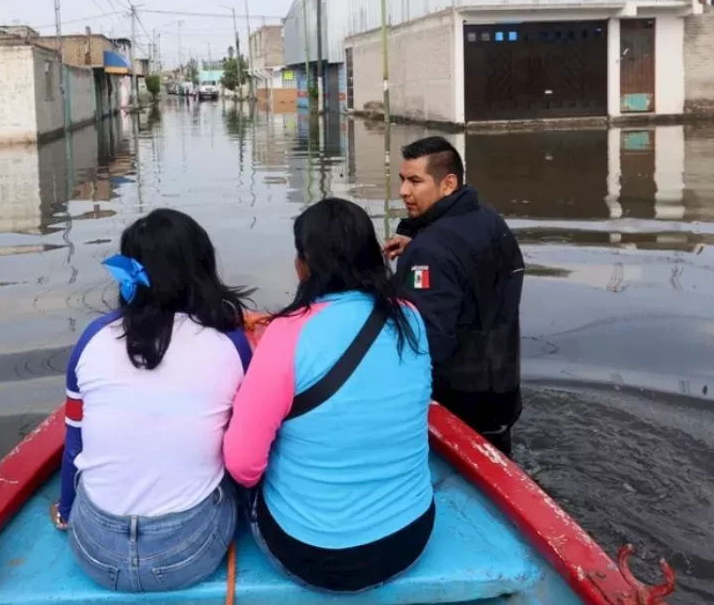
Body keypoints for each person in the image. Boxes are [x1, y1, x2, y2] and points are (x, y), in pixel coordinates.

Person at [224, 198, 434, 594]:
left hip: (314, 554)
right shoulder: (410, 317)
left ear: (304, 264)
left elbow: (242, 466)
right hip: (410, 537)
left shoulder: (285, 334)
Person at [51, 208, 252, 593]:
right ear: (200, 267)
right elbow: (247, 447)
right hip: (187, 553)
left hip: (95, 551)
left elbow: (74, 444)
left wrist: (65, 511)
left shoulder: (93, 339)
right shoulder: (231, 343)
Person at [383, 136, 525, 455]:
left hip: (457, 405)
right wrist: (416, 236)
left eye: (415, 181)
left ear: (448, 184)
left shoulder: (430, 252)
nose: (404, 191)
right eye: (403, 180)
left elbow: (425, 343)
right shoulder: (489, 220)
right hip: (501, 392)